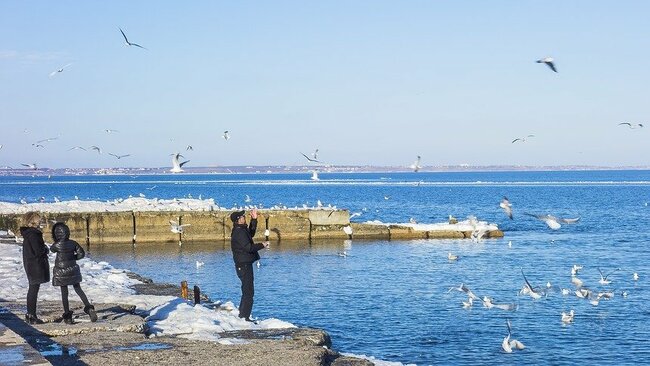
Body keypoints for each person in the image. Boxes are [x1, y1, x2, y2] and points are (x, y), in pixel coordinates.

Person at [50, 222, 97, 324]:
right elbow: (81, 254)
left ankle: (67, 315)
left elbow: (52, 250)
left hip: (61, 271)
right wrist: (73, 258)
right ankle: (89, 308)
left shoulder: (56, 245)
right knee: (78, 289)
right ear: (67, 232)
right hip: (73, 269)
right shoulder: (73, 243)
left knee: (64, 292)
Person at [230, 208, 268, 322]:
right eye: (242, 217)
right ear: (238, 220)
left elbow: (250, 233)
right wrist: (262, 245)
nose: (244, 217)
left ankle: (243, 315)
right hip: (244, 265)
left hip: (245, 264)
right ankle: (244, 317)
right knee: (248, 292)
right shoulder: (238, 232)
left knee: (247, 291)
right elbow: (249, 247)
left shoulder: (241, 229)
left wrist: (254, 219)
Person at [19, 212, 50, 324]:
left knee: (33, 288)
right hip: (35, 264)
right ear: (33, 222)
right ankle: (32, 315)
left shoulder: (28, 234)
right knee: (33, 288)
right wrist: (45, 249)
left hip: (31, 263)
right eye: (39, 220)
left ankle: (30, 314)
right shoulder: (34, 234)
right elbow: (38, 250)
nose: (40, 222)